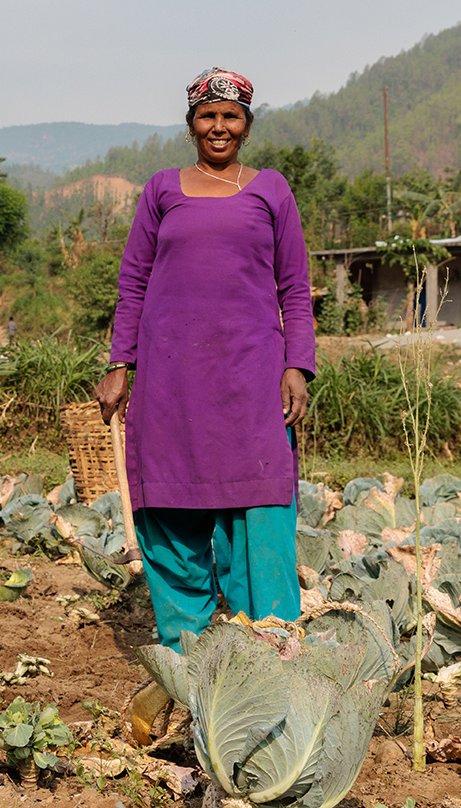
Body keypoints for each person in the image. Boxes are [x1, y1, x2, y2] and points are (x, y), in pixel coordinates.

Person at [95, 67, 316, 648]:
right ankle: (187, 654)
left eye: (231, 116)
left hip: (252, 380)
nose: (219, 127)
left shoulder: (271, 189)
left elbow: (294, 285)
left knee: (261, 506)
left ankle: (271, 651)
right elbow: (133, 281)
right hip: (171, 382)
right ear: (190, 125)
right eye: (207, 116)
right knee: (170, 504)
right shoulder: (161, 190)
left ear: (246, 124)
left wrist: (298, 365)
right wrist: (120, 364)